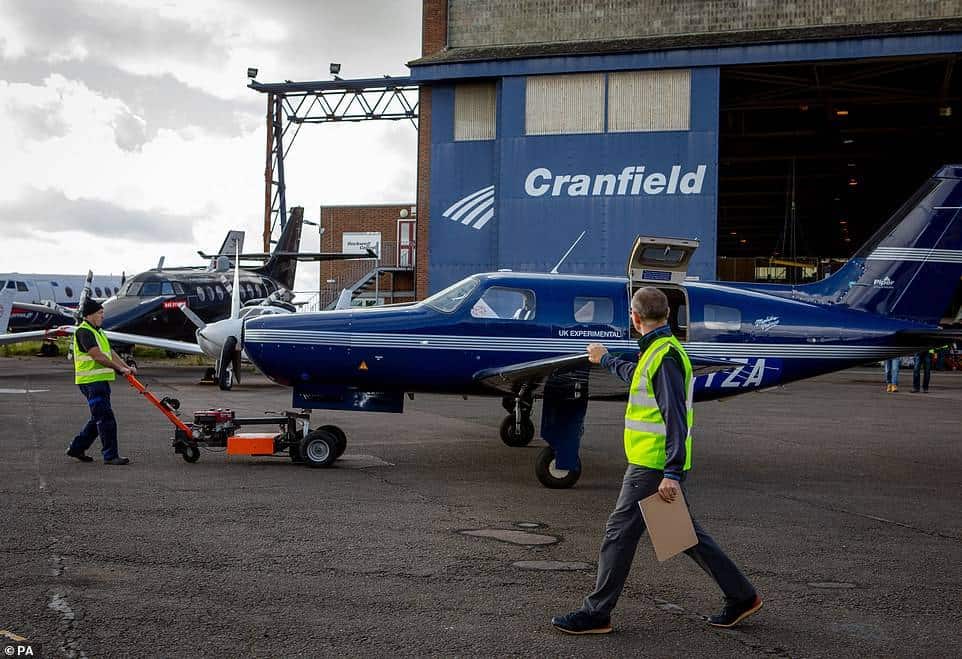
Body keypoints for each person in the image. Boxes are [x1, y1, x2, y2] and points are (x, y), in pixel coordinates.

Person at [551, 287, 761, 635]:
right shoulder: (657, 351)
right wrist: (605, 358)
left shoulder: (664, 356)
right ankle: (742, 596)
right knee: (682, 536)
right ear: (666, 315)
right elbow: (637, 377)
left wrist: (672, 473)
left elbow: (675, 416)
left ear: (634, 318)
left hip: (653, 467)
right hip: (653, 464)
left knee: (618, 534)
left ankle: (597, 613)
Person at [66, 298, 135, 465]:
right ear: (90, 315)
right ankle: (110, 456)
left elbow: (109, 352)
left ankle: (76, 448)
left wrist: (127, 367)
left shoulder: (98, 331)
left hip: (100, 381)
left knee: (98, 417)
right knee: (105, 418)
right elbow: (97, 356)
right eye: (100, 313)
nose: (102, 316)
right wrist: (119, 370)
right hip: (90, 382)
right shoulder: (84, 332)